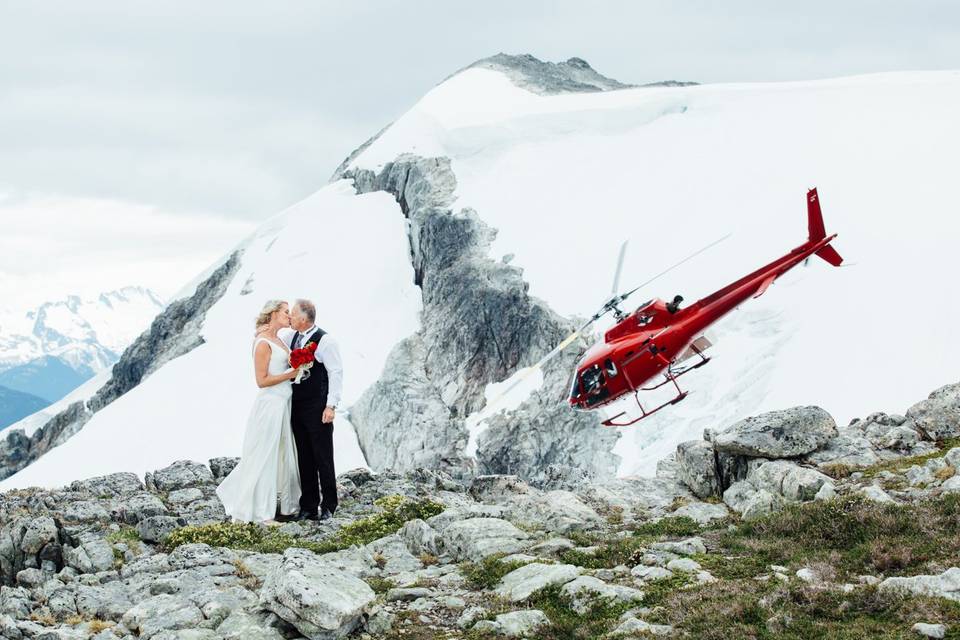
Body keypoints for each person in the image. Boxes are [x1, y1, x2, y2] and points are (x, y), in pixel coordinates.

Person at [215, 300, 301, 522]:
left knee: (281, 453)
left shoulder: (278, 338)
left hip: (284, 403)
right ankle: (262, 513)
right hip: (270, 404)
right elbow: (261, 380)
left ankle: (280, 504)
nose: (289, 315)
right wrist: (291, 374)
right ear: (273, 313)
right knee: (266, 454)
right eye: (285, 312)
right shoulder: (263, 342)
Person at [284, 298, 343, 521]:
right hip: (297, 405)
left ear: (302, 317)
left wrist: (331, 405)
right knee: (304, 456)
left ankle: (329, 504)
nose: (289, 317)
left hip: (318, 406)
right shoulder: (293, 337)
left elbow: (336, 372)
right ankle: (308, 504)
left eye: (292, 314)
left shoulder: (325, 341)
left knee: (323, 456)